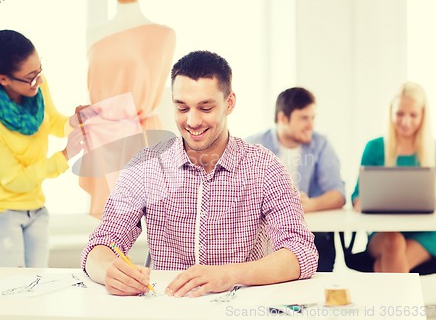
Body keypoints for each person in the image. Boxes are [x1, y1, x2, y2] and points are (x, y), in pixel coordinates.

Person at [81, 50, 318, 297]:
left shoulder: (265, 167)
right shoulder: (146, 166)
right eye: (182, 108)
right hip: (169, 309)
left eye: (205, 108)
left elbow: (301, 251)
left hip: (239, 309)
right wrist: (109, 270)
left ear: (229, 103)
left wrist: (229, 274)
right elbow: (100, 244)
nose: (192, 121)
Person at [0, 29, 87, 267]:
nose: (38, 80)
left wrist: (74, 120)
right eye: (31, 76)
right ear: (3, 79)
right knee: (7, 298)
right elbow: (15, 179)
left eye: (40, 70)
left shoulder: (35, 87)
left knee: (36, 295)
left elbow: (52, 121)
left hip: (34, 208)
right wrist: (64, 155)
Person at [79, 0, 176, 217]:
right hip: (103, 134)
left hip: (143, 131)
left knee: (156, 220)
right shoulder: (93, 34)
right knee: (111, 224)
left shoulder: (163, 35)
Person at [246, 87, 345, 272]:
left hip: (312, 232)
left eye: (313, 118)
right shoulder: (254, 145)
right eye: (304, 118)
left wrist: (309, 204)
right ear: (283, 118)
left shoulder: (321, 144)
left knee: (320, 250)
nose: (311, 125)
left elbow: (338, 194)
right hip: (266, 234)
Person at [352, 81, 436, 273]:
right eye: (400, 114)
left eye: (413, 115)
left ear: (423, 115)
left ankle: (382, 304)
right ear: (391, 113)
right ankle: (402, 305)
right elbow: (357, 194)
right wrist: (359, 201)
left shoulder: (434, 149)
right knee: (393, 243)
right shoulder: (374, 148)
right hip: (384, 231)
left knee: (388, 265)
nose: (406, 121)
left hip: (426, 234)